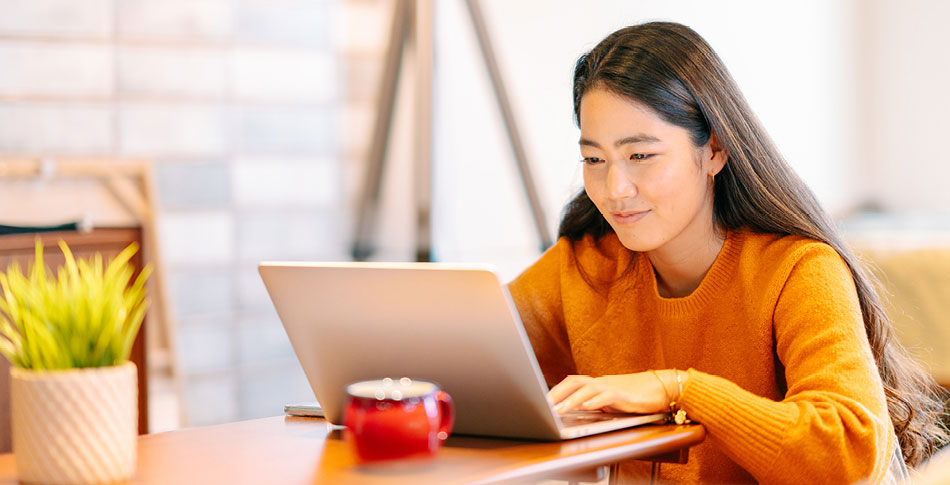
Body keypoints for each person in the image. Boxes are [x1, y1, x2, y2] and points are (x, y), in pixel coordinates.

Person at [508, 21, 948, 484]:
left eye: (641, 156)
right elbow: (468, 354)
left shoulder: (797, 269)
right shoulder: (585, 265)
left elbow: (848, 450)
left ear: (714, 148)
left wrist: (679, 389)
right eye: (595, 160)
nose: (614, 189)